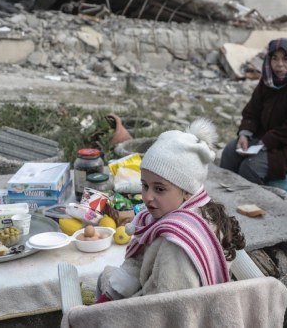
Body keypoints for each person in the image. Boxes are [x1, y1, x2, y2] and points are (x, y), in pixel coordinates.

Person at [96, 118, 246, 301]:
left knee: (101, 280)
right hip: (154, 295)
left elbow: (168, 307)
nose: (148, 196)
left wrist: (107, 307)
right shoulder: (196, 210)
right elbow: (138, 261)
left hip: (154, 311)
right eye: (144, 185)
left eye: (159, 189)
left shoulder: (176, 245)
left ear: (186, 191)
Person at [220, 38, 287, 184]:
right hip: (268, 137)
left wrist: (265, 143)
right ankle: (224, 199)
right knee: (230, 152)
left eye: (285, 59)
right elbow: (252, 110)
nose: (279, 65)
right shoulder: (269, 78)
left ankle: (251, 205)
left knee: (251, 167)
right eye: (274, 59)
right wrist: (245, 133)